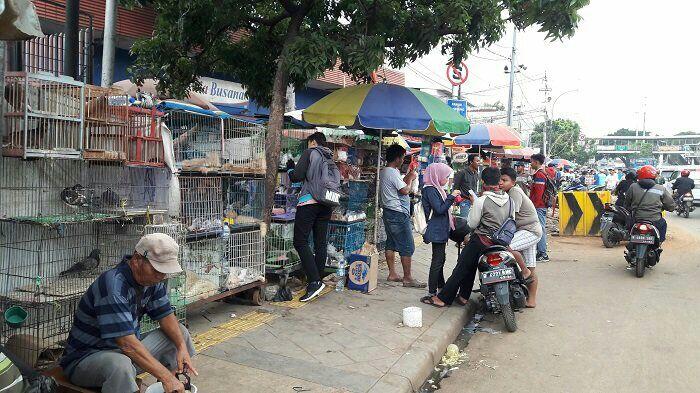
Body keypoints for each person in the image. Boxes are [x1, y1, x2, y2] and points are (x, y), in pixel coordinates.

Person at [60, 233, 197, 393]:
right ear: (137, 259)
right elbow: (126, 344)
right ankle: (167, 381)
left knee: (179, 333)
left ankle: (174, 385)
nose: (161, 276)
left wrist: (181, 347)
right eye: (157, 270)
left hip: (124, 354)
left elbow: (165, 315)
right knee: (120, 366)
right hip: (85, 359)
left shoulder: (153, 280)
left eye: (164, 271)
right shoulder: (113, 286)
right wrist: (166, 376)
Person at [422, 167, 512, 307]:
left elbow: (472, 223)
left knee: (461, 267)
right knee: (471, 266)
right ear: (499, 181)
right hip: (500, 241)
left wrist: (473, 204)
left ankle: (443, 298)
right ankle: (464, 296)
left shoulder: (482, 201)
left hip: (482, 240)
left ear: (483, 182)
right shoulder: (509, 199)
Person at [289, 131, 339, 302]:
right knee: (320, 242)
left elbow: (297, 176)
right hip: (326, 203)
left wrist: (290, 168)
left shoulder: (310, 152)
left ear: (312, 142)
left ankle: (314, 282)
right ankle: (317, 278)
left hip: (310, 201)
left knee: (300, 241)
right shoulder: (330, 158)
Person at [380, 144, 425, 288]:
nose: (403, 160)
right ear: (398, 158)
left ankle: (392, 273)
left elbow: (399, 187)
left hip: (389, 211)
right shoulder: (392, 172)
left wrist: (408, 176)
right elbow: (405, 190)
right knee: (407, 245)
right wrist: (411, 177)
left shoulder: (386, 171)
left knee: (391, 243)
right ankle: (407, 278)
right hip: (397, 213)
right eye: (402, 157)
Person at [500, 168, 541, 308]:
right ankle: (531, 300)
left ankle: (524, 271)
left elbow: (511, 216)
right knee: (532, 267)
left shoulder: (514, 191)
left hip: (530, 230)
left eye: (504, 180)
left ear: (513, 182)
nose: (501, 183)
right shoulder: (509, 192)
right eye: (500, 180)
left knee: (505, 246)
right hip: (527, 230)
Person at [421, 163, 460, 296]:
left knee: (440, 258)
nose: (447, 179)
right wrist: (451, 197)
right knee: (437, 260)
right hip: (436, 229)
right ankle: (432, 291)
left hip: (440, 228)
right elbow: (439, 209)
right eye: (446, 176)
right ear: (438, 175)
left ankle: (441, 286)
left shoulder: (436, 188)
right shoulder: (430, 190)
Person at [624, 165, 675, 243]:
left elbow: (627, 203)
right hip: (655, 220)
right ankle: (659, 243)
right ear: (654, 176)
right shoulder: (661, 188)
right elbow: (670, 205)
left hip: (637, 219)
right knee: (663, 224)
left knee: (628, 229)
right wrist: (669, 208)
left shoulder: (633, 187)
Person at [529, 153, 550, 263]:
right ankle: (540, 251)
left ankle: (543, 253)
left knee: (540, 229)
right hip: (540, 206)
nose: (530, 163)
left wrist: (533, 206)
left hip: (539, 206)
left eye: (531, 161)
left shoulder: (539, 175)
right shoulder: (541, 174)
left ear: (536, 162)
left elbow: (538, 194)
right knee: (539, 228)